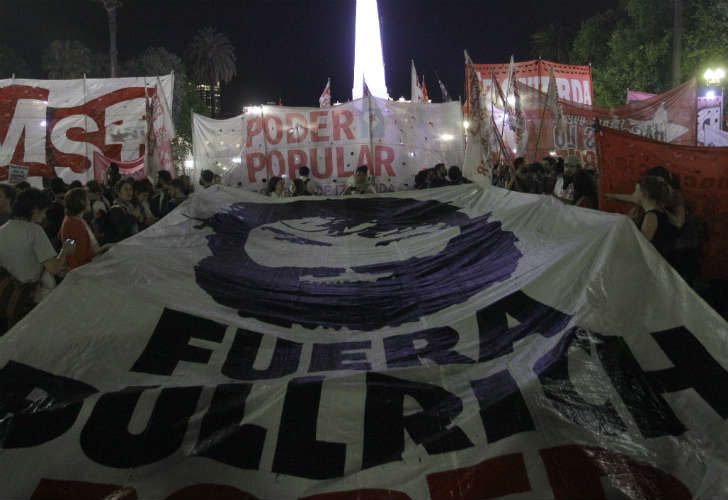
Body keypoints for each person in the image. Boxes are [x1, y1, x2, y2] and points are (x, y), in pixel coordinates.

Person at [0, 188, 75, 307]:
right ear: (34, 210)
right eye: (44, 211)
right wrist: (64, 250)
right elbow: (53, 267)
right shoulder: (35, 231)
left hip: (12, 298)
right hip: (37, 297)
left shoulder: (2, 231)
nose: (44, 216)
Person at [59, 188, 112, 270]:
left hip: (81, 266)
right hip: (83, 268)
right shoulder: (75, 224)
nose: (90, 201)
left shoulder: (71, 219)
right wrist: (104, 247)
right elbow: (82, 255)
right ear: (82, 202)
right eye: (87, 199)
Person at [635, 175, 679, 259]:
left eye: (636, 191)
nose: (633, 194)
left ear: (645, 194)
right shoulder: (660, 212)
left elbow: (642, 246)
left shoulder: (651, 216)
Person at [104, 178, 140, 243]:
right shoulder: (115, 209)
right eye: (126, 189)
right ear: (118, 193)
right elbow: (120, 229)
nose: (129, 192)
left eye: (130, 189)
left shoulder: (131, 206)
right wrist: (133, 216)